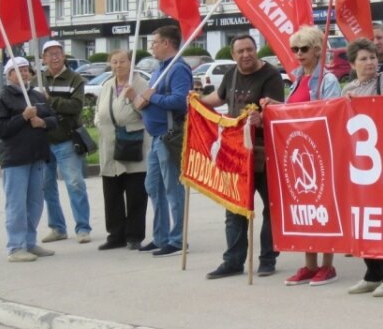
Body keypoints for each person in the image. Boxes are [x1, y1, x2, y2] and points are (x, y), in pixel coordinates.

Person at [200, 34, 285, 279]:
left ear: (255, 50)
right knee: (234, 209)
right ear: (233, 54)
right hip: (237, 155)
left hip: (264, 153)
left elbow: (278, 107)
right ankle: (233, 261)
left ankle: (268, 259)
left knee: (271, 208)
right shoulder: (231, 74)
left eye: (250, 49)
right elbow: (219, 98)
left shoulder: (270, 75)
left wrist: (263, 116)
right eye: (241, 51)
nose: (246, 54)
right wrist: (198, 102)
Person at [342, 38, 383, 298]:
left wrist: (358, 103)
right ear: (353, 63)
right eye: (364, 59)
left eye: (372, 57)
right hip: (359, 162)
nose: (370, 63)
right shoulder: (349, 87)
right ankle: (372, 271)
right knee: (362, 216)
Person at [280, 25, 342, 286]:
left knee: (323, 206)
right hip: (299, 151)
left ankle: (327, 265)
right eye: (295, 49)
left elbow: (332, 112)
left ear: (317, 50)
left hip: (320, 152)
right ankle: (309, 264)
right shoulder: (296, 80)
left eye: (304, 48)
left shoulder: (327, 81)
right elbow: (289, 113)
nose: (298, 53)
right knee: (304, 206)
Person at [125, 25, 193, 257]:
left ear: (166, 43)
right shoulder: (159, 69)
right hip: (155, 138)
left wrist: (153, 97)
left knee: (172, 188)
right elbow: (148, 99)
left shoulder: (178, 69)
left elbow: (181, 101)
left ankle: (178, 238)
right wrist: (139, 98)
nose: (151, 46)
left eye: (154, 42)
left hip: (169, 135)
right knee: (153, 186)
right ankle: (161, 235)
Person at [0, 57, 58, 262]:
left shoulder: (36, 95)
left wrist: (42, 122)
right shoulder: (3, 98)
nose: (25, 73)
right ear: (9, 74)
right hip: (15, 159)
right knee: (17, 204)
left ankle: (29, 242)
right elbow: (0, 129)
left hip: (37, 156)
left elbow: (54, 119)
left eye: (26, 70)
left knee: (35, 203)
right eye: (19, 70)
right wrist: (22, 117)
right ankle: (15, 246)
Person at [94, 50, 149, 251]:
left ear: (130, 63)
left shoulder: (139, 83)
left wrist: (133, 97)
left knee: (135, 193)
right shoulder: (107, 85)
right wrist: (100, 124)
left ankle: (134, 235)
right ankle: (115, 234)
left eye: (123, 61)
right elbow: (98, 112)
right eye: (114, 62)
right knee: (112, 192)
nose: (118, 66)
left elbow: (146, 110)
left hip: (133, 144)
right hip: (109, 144)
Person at [39, 40, 92, 245]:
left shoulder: (74, 78)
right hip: (44, 141)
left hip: (66, 140)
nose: (54, 57)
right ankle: (57, 228)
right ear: (43, 58)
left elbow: (76, 107)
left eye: (57, 53)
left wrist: (50, 101)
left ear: (64, 56)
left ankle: (83, 228)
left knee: (75, 184)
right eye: (49, 54)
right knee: (46, 186)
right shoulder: (38, 79)